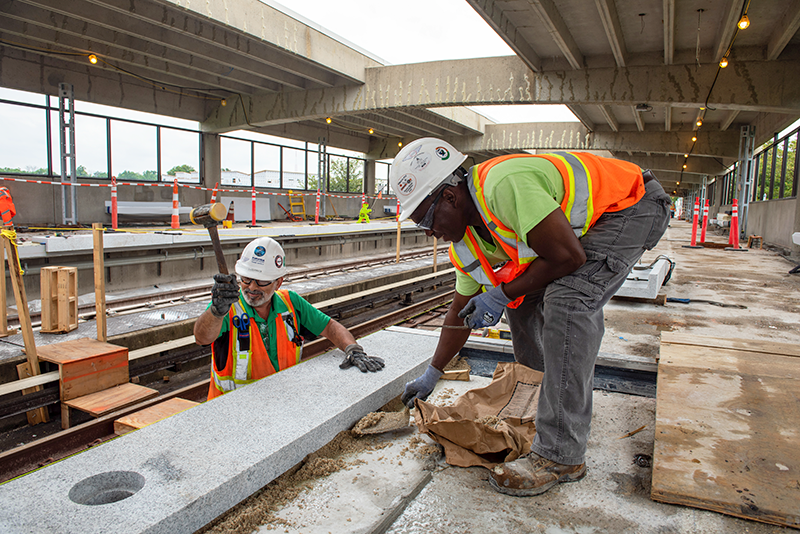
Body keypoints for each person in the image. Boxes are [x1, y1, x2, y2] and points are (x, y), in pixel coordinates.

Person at [390, 138, 670, 497]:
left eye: (427, 219)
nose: (429, 232)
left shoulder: (502, 185)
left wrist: (501, 293)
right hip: (593, 226)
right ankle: (549, 410)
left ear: (449, 197)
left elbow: (568, 257)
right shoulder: (467, 245)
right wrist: (433, 374)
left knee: (568, 300)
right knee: (521, 305)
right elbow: (458, 313)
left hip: (632, 205)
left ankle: (560, 455)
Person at [194, 236, 384, 400]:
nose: (251, 287)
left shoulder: (290, 303)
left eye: (261, 282)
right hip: (231, 410)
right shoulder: (228, 308)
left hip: (281, 401)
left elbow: (330, 327)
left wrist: (353, 349)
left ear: (278, 282)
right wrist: (216, 312)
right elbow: (202, 337)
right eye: (245, 279)